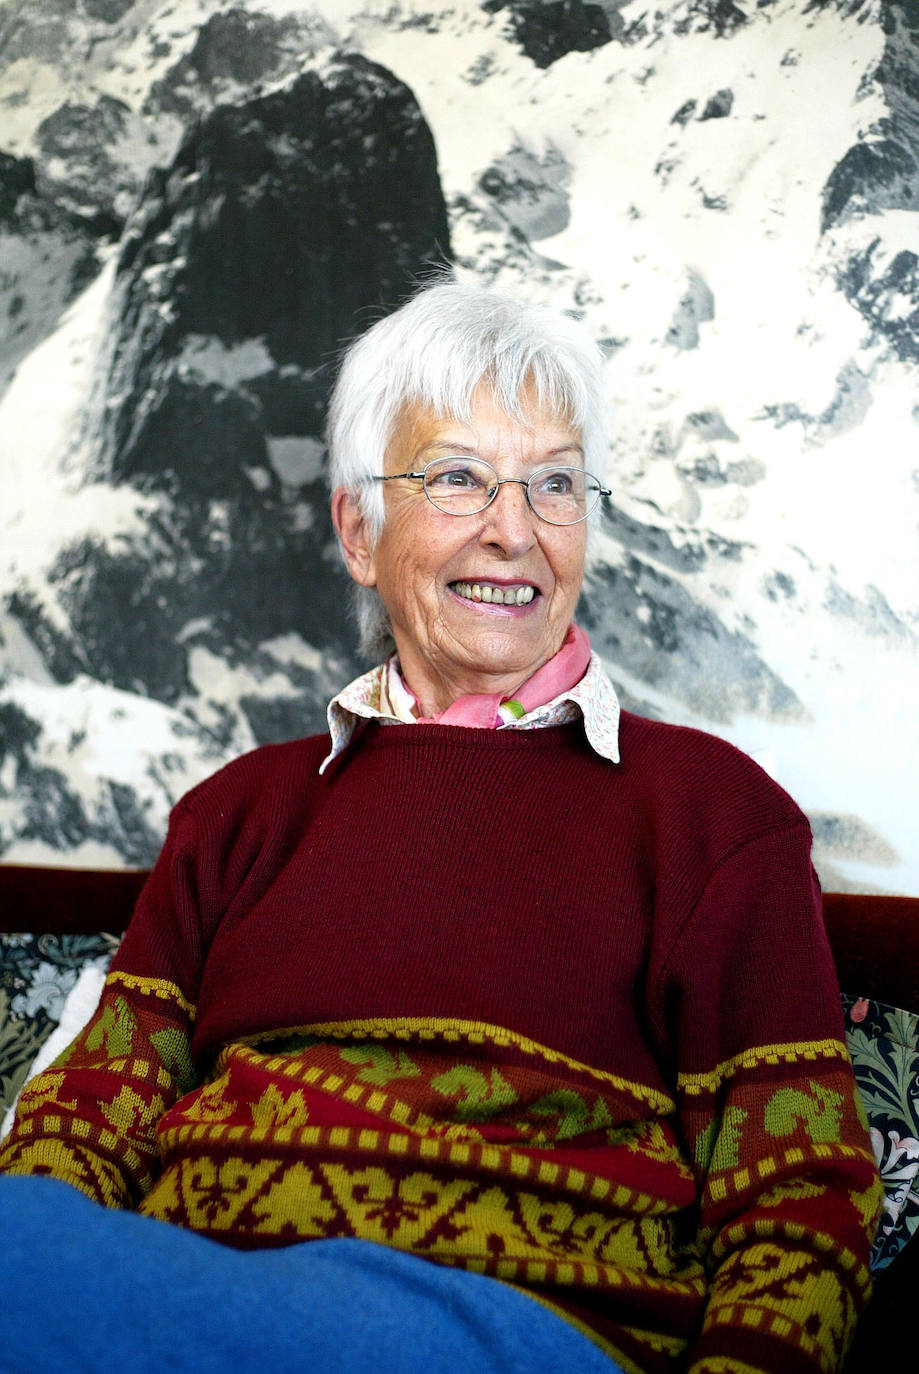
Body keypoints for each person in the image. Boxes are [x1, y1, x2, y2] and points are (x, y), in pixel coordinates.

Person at [0, 279, 880, 1374]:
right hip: (188, 1302)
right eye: (457, 478)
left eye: (553, 485)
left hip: (518, 1330)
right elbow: (89, 1114)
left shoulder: (712, 815)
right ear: (358, 532)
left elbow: (797, 1200)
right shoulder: (238, 813)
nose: (513, 532)